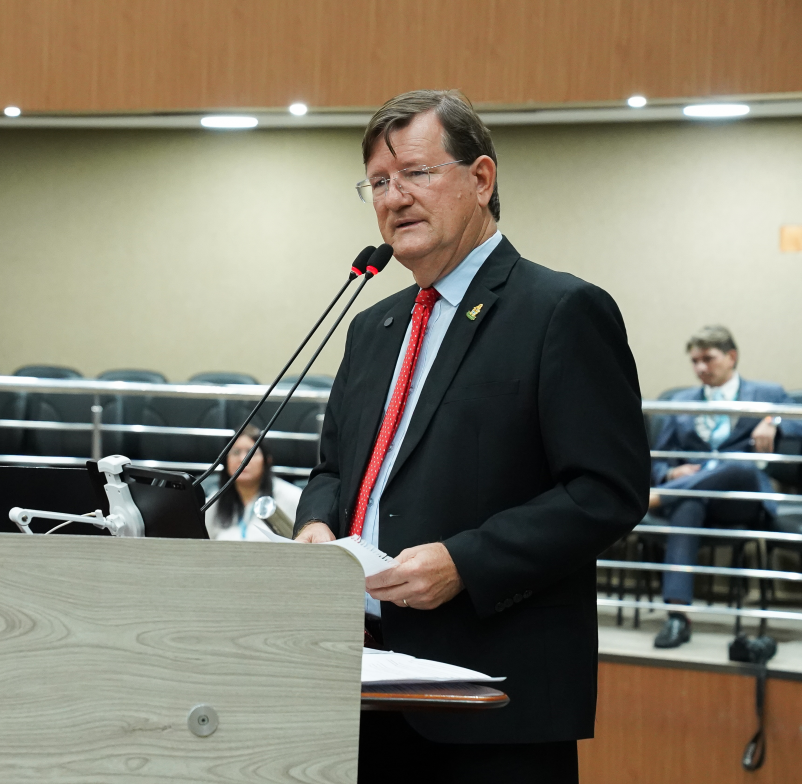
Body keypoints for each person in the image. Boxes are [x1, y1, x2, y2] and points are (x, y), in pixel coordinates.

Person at [293, 89, 650, 783]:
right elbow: (332, 469)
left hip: (491, 696)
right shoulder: (371, 327)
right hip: (358, 682)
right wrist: (315, 526)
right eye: (378, 182)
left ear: (480, 179)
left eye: (417, 172)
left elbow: (606, 491)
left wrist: (465, 561)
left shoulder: (561, 311)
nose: (395, 197)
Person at [648, 325, 801, 648]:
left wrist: (772, 420)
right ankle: (677, 615)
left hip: (743, 496)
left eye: (708, 358)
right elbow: (660, 457)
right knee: (689, 503)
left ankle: (660, 498)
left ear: (731, 357)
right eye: (695, 361)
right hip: (696, 495)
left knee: (736, 464)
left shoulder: (766, 392)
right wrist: (671, 474)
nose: (700, 367)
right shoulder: (681, 402)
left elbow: (798, 419)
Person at [205, 425, 301, 541]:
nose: (242, 459)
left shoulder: (293, 498)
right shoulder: (213, 504)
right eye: (236, 452)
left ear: (266, 460)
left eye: (251, 453)